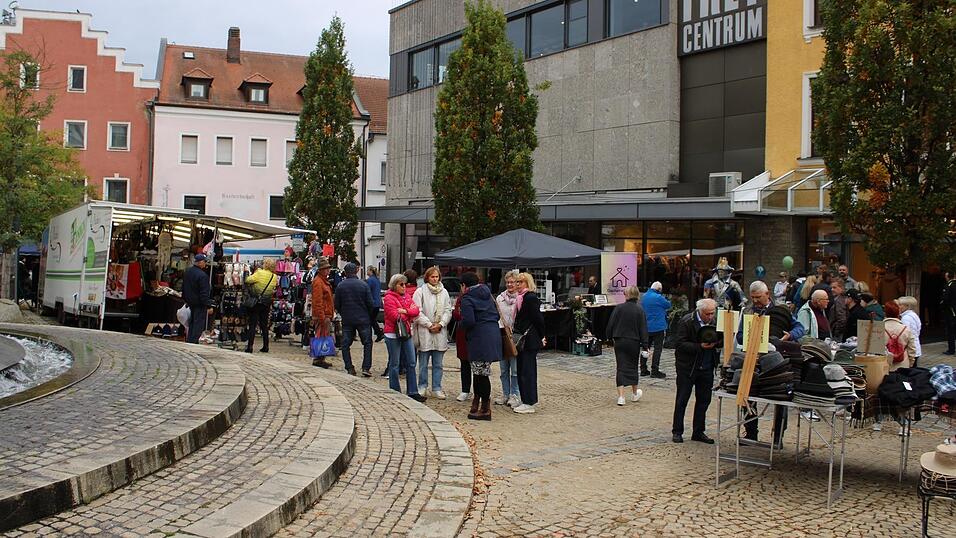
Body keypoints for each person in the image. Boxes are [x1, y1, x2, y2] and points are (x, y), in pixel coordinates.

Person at [737, 281, 805, 446]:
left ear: (767, 294)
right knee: (748, 394)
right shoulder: (748, 311)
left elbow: (800, 328)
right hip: (754, 358)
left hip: (777, 360)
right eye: (753, 297)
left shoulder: (781, 311)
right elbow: (739, 335)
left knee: (780, 397)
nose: (755, 301)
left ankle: (778, 437)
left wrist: (789, 335)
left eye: (758, 297)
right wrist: (749, 336)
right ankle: (751, 432)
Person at [672, 298, 719, 444]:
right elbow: (679, 344)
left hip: (706, 367)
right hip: (688, 367)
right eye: (708, 314)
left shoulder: (715, 322)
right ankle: (677, 431)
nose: (711, 317)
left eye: (712, 313)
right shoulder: (687, 321)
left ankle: (698, 431)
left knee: (704, 400)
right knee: (682, 399)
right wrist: (699, 346)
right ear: (700, 311)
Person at [459, 272, 502, 420]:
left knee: (481, 374)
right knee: (481, 372)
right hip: (492, 334)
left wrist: (459, 324)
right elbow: (497, 315)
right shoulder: (488, 294)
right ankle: (478, 402)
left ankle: (485, 408)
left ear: (464, 285)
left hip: (479, 337)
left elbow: (469, 321)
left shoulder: (467, 298)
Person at [383, 274, 426, 402]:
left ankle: (412, 391)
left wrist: (405, 311)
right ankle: (395, 390)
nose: (404, 287)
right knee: (395, 363)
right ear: (394, 285)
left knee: (411, 362)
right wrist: (406, 312)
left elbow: (416, 311)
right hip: (393, 333)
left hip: (406, 332)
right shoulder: (389, 298)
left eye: (404, 284)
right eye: (401, 284)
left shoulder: (407, 297)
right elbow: (394, 315)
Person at [413, 266, 452, 399]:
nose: (435, 279)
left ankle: (437, 387)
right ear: (427, 278)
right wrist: (429, 324)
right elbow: (417, 311)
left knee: (438, 363)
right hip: (426, 330)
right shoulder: (420, 292)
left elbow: (448, 310)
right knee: (423, 362)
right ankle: (422, 385)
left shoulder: (444, 292)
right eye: (432, 277)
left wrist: (441, 324)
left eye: (436, 276)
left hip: (440, 330)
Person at [607, 286, 649, 406]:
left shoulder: (619, 308)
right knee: (633, 366)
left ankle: (621, 397)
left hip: (619, 340)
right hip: (633, 341)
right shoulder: (639, 310)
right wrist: (645, 346)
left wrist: (609, 337)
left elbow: (611, 324)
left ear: (627, 295)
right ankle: (635, 393)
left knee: (620, 366)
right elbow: (643, 329)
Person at [512, 272, 546, 414]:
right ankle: (525, 398)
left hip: (529, 339)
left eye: (521, 282)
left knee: (527, 371)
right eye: (517, 282)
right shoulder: (520, 298)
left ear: (527, 283)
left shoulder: (530, 298)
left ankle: (529, 401)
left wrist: (542, 335)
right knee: (521, 370)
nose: (518, 284)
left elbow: (538, 319)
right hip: (523, 339)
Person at [334, 262, 374, 376]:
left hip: (347, 319)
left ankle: (349, 367)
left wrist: (343, 313)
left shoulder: (341, 286)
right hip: (363, 319)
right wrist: (368, 315)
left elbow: (337, 304)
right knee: (367, 343)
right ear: (356, 271)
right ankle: (366, 367)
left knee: (345, 344)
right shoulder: (363, 284)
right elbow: (370, 303)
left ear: (345, 273)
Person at [495, 270, 521, 407]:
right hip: (502, 335)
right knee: (504, 368)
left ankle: (515, 394)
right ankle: (505, 393)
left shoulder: (520, 298)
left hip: (515, 336)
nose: (510, 284)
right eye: (508, 282)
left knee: (515, 369)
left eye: (513, 282)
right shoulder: (500, 298)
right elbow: (497, 316)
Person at [244, 257, 277, 353]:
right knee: (264, 325)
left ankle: (250, 347)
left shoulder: (259, 273)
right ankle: (266, 346)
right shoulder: (274, 277)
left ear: (265, 264)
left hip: (256, 302)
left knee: (253, 324)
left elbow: (248, 280)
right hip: (266, 303)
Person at [640, 281, 670, 378]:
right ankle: (654, 370)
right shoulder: (659, 297)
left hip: (646, 326)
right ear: (659, 289)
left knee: (645, 348)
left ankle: (643, 369)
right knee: (657, 349)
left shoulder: (644, 296)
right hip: (658, 327)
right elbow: (668, 305)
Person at [183, 253, 213, 344]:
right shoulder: (203, 276)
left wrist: (185, 299)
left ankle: (190, 340)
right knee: (198, 324)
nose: (205, 264)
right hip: (199, 304)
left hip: (190, 302)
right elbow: (204, 293)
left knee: (192, 322)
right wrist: (208, 305)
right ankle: (193, 342)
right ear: (200, 262)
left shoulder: (187, 272)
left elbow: (184, 287)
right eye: (204, 261)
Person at [310, 258, 335, 368]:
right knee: (321, 335)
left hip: (326, 313)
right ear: (320, 270)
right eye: (326, 269)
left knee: (324, 336)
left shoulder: (323, 281)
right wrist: (321, 316)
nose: (328, 270)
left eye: (328, 268)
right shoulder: (318, 282)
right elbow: (317, 301)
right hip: (322, 314)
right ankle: (318, 359)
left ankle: (321, 358)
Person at [883, 301, 917, 371]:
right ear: (898, 313)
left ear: (885, 313)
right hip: (903, 365)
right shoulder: (906, 329)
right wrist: (910, 363)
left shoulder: (878, 329)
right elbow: (912, 349)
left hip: (883, 365)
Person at [452, 293, 472, 402]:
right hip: (463, 334)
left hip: (476, 334)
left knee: (479, 366)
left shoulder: (482, 297)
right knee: (464, 363)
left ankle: (480, 392)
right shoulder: (461, 298)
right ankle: (465, 390)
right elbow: (456, 314)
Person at [898, 296, 922, 367]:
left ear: (907, 306)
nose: (899, 306)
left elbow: (905, 334)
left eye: (900, 305)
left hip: (910, 348)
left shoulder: (906, 318)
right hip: (915, 347)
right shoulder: (914, 315)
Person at [367, 266, 385, 342]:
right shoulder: (377, 280)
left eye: (368, 270)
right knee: (372, 319)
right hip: (377, 303)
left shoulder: (370, 280)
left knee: (370, 320)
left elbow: (367, 291)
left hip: (372, 303)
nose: (367, 272)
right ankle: (379, 333)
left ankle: (378, 333)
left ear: (370, 271)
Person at [943, 271, 956, 355]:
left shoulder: (949, 285)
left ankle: (951, 350)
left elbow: (945, 299)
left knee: (951, 331)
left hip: (951, 311)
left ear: (947, 277)